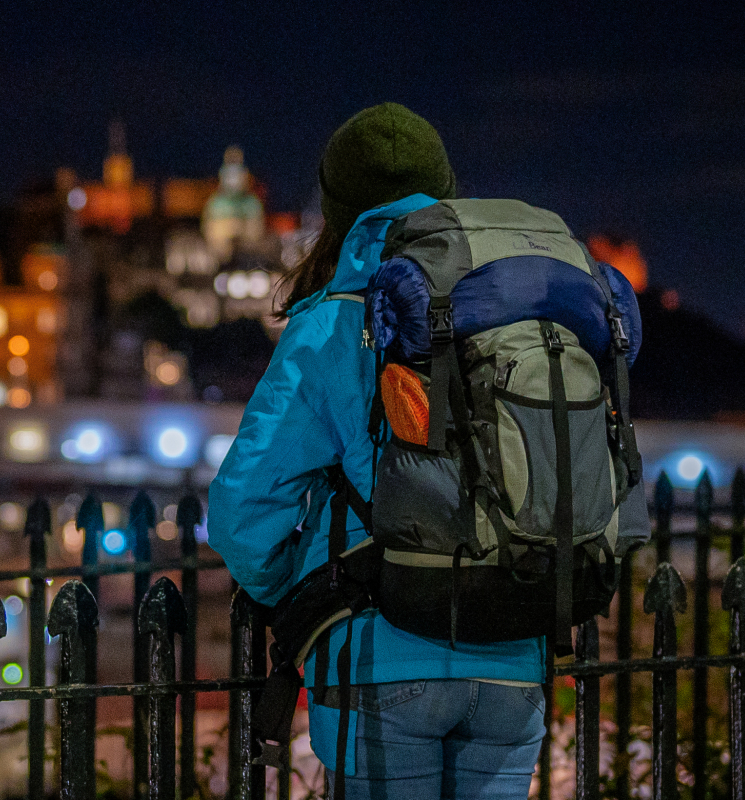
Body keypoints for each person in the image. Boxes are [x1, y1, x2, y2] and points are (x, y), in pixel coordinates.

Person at [209, 103, 548, 800]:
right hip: (516, 656)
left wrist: (296, 596)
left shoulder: (335, 321)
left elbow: (243, 512)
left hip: (381, 653)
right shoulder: (521, 310)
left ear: (336, 213)